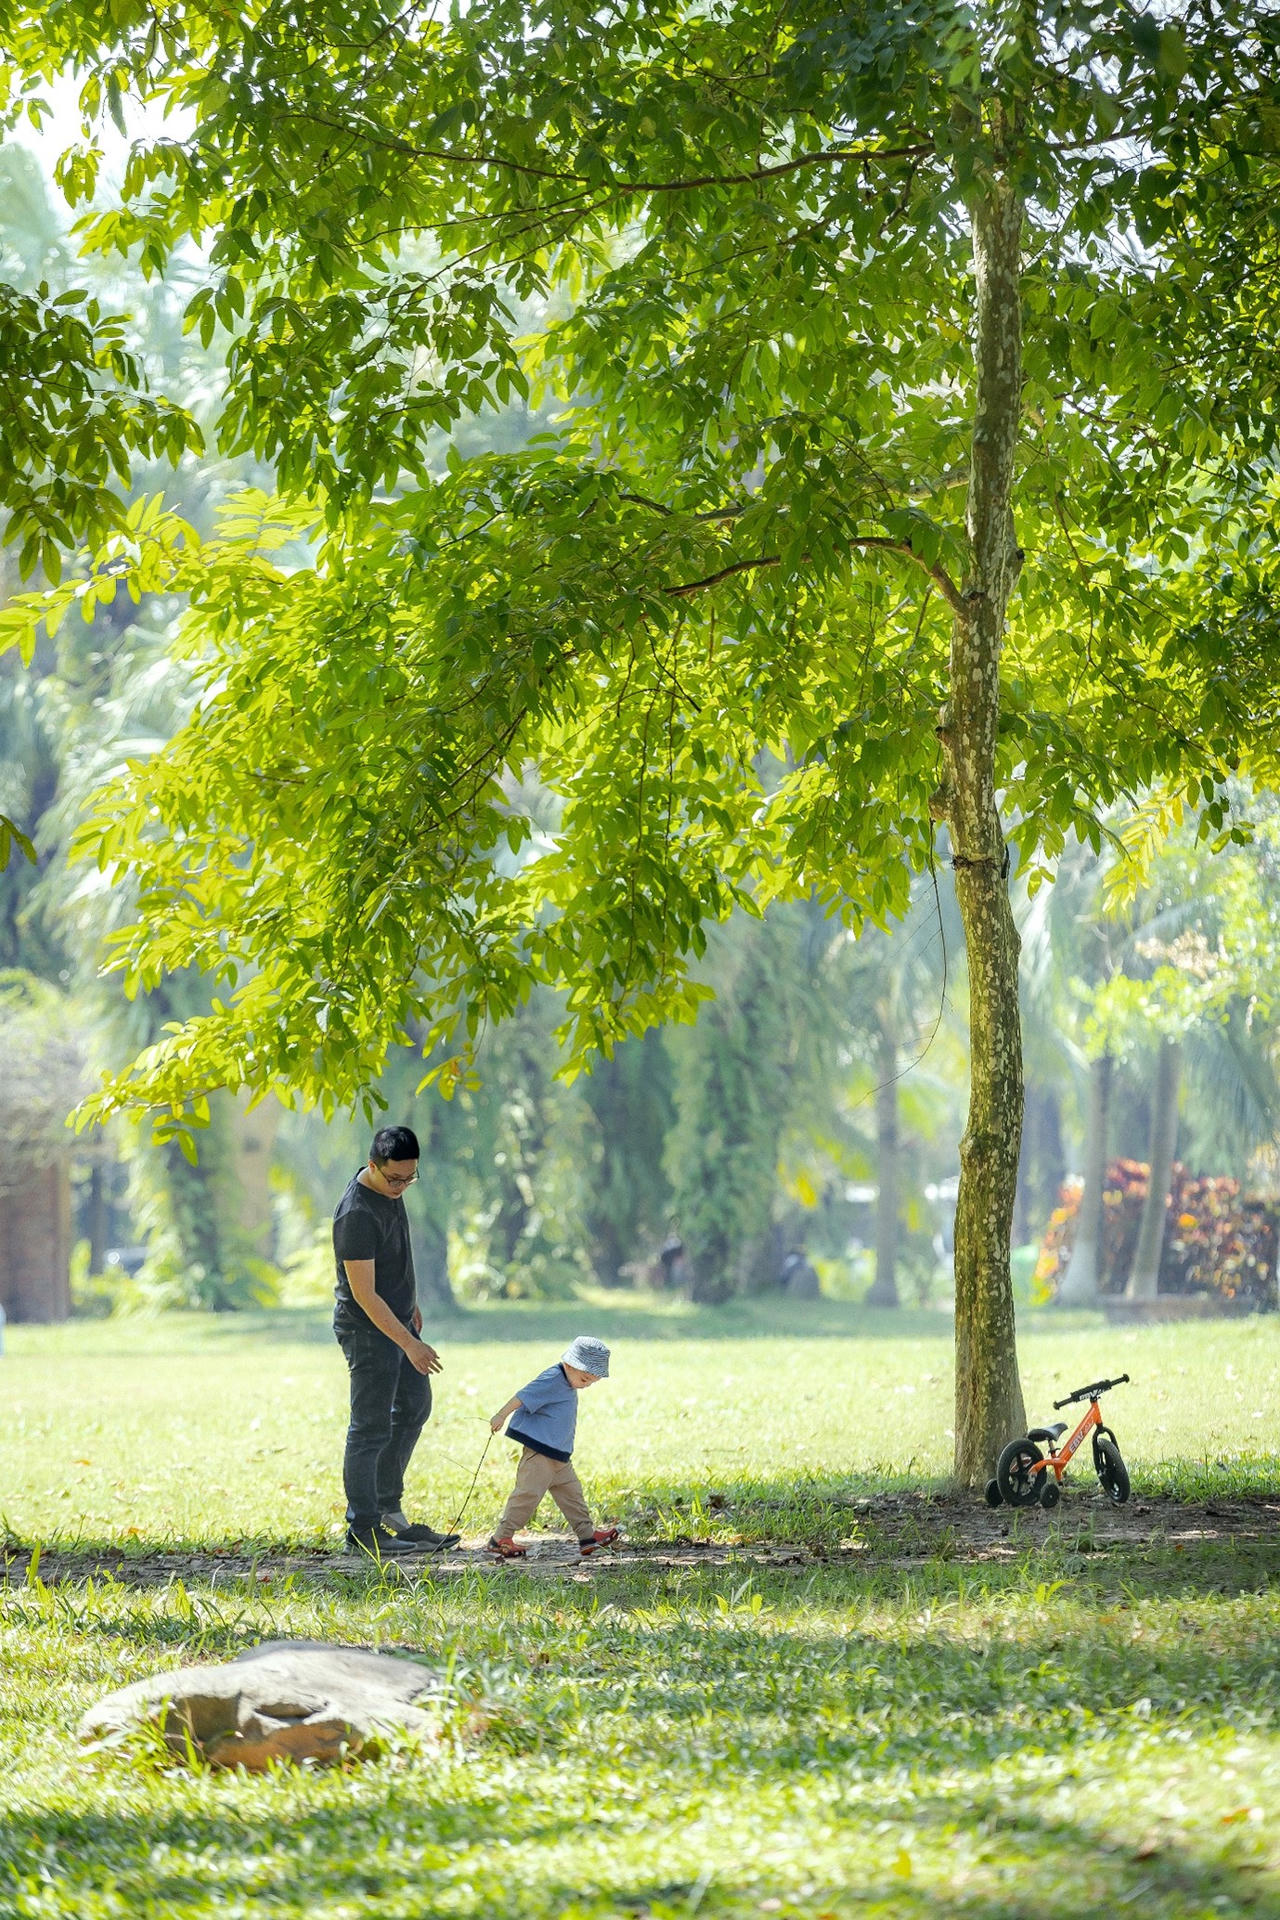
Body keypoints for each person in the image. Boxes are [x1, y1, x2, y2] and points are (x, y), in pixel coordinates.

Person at [332, 1125, 460, 1557]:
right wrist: (409, 1343)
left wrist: (412, 1303)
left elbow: (396, 1257)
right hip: (367, 1331)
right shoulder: (356, 1214)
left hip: (399, 1322)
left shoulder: (391, 1189)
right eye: (395, 1179)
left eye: (410, 1178)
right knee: (369, 1427)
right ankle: (362, 1530)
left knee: (414, 1406)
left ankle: (388, 1507)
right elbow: (365, 1294)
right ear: (373, 1166)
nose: (402, 1186)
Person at [486, 1335, 619, 1558]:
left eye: (591, 1382)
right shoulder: (552, 1379)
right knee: (527, 1495)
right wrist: (501, 1415)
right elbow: (523, 1396)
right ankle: (500, 1538)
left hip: (559, 1456)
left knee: (573, 1496)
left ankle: (587, 1537)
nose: (586, 1386)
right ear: (570, 1365)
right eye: (585, 1379)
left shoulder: (568, 1382)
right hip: (540, 1454)